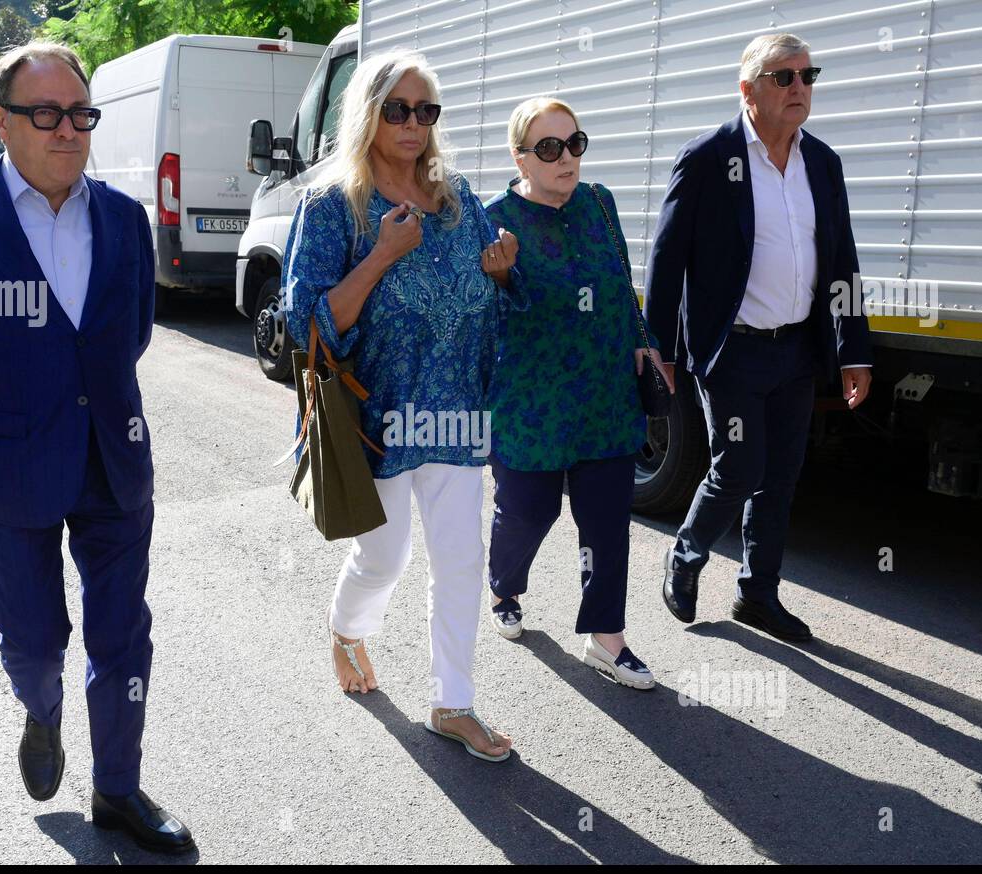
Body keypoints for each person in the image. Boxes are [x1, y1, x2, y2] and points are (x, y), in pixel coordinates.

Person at [0, 41, 193, 854]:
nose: (68, 130)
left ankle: (117, 790)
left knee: (123, 635)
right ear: (1, 120)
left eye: (80, 114)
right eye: (47, 113)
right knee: (31, 638)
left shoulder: (124, 219)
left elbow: (128, 334)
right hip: (8, 468)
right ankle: (42, 707)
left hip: (114, 463)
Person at [283, 50, 528, 762]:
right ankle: (348, 629)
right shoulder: (334, 206)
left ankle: (454, 703)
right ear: (369, 112)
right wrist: (382, 254)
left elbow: (493, 301)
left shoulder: (457, 198)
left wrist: (502, 274)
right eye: (398, 109)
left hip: (456, 412)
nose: (414, 122)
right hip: (377, 418)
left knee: (460, 562)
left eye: (426, 110)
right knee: (384, 559)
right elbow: (308, 321)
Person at [647, 33, 873, 643]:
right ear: (748, 90)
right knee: (741, 466)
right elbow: (668, 258)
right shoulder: (708, 157)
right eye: (784, 77)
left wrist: (853, 349)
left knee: (782, 475)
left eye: (808, 76)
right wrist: (658, 347)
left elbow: (842, 259)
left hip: (797, 348)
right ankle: (686, 556)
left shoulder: (821, 162)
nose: (800, 87)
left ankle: (757, 593)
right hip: (733, 348)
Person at [483, 98, 672, 689]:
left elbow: (620, 285)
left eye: (574, 143)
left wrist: (643, 343)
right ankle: (504, 586)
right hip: (530, 401)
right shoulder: (494, 221)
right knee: (528, 512)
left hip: (605, 394)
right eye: (549, 148)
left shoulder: (599, 203)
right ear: (520, 157)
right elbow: (480, 316)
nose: (566, 157)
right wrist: (502, 275)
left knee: (608, 519)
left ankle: (606, 638)